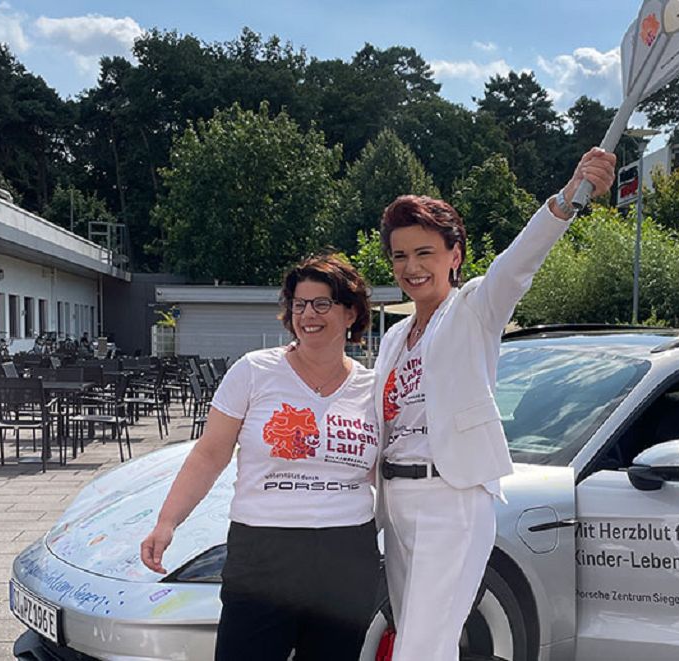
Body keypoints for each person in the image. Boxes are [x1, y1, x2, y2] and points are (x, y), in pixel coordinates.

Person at [374, 147, 616, 660]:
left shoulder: (473, 309)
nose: (411, 267)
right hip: (395, 500)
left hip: (451, 495)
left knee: (421, 647)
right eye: (399, 256)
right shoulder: (394, 337)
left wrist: (566, 200)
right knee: (414, 633)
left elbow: (518, 263)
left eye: (424, 253)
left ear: (454, 255)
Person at [140, 255, 381, 661]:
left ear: (351, 312)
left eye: (322, 303)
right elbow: (209, 454)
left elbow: (385, 472)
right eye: (299, 304)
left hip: (346, 555)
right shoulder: (254, 371)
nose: (308, 314)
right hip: (263, 552)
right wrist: (167, 522)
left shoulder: (371, 387)